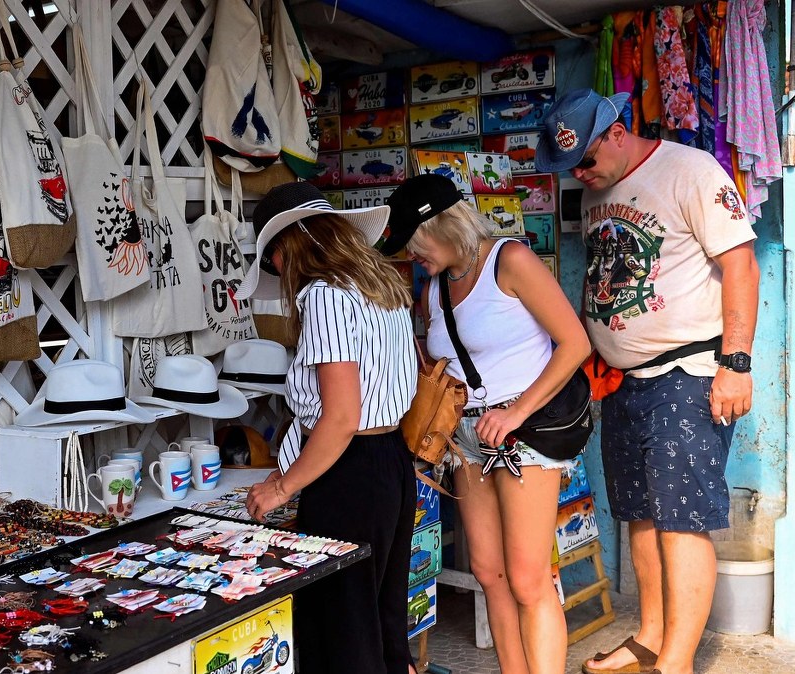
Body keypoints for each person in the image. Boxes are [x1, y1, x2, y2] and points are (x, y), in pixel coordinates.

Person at [536, 89, 759, 674]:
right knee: (639, 513)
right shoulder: (597, 190)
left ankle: (675, 663)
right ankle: (651, 638)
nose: (580, 175)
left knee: (681, 518)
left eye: (586, 160)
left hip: (688, 372)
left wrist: (736, 364)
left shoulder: (690, 170)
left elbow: (741, 264)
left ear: (616, 131)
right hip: (624, 381)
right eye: (571, 167)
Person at [381, 173, 591, 674]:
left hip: (522, 432)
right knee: (488, 572)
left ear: (440, 226)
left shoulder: (509, 260)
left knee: (528, 578)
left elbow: (575, 344)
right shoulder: (433, 288)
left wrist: (516, 411)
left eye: (414, 241)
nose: (411, 254)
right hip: (466, 438)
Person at [239, 181, 418, 674]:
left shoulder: (324, 295)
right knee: (382, 621)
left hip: (349, 471)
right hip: (389, 458)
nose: (277, 271)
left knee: (344, 629)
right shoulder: (381, 288)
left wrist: (282, 488)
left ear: (287, 247)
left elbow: (340, 418)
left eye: (273, 258)